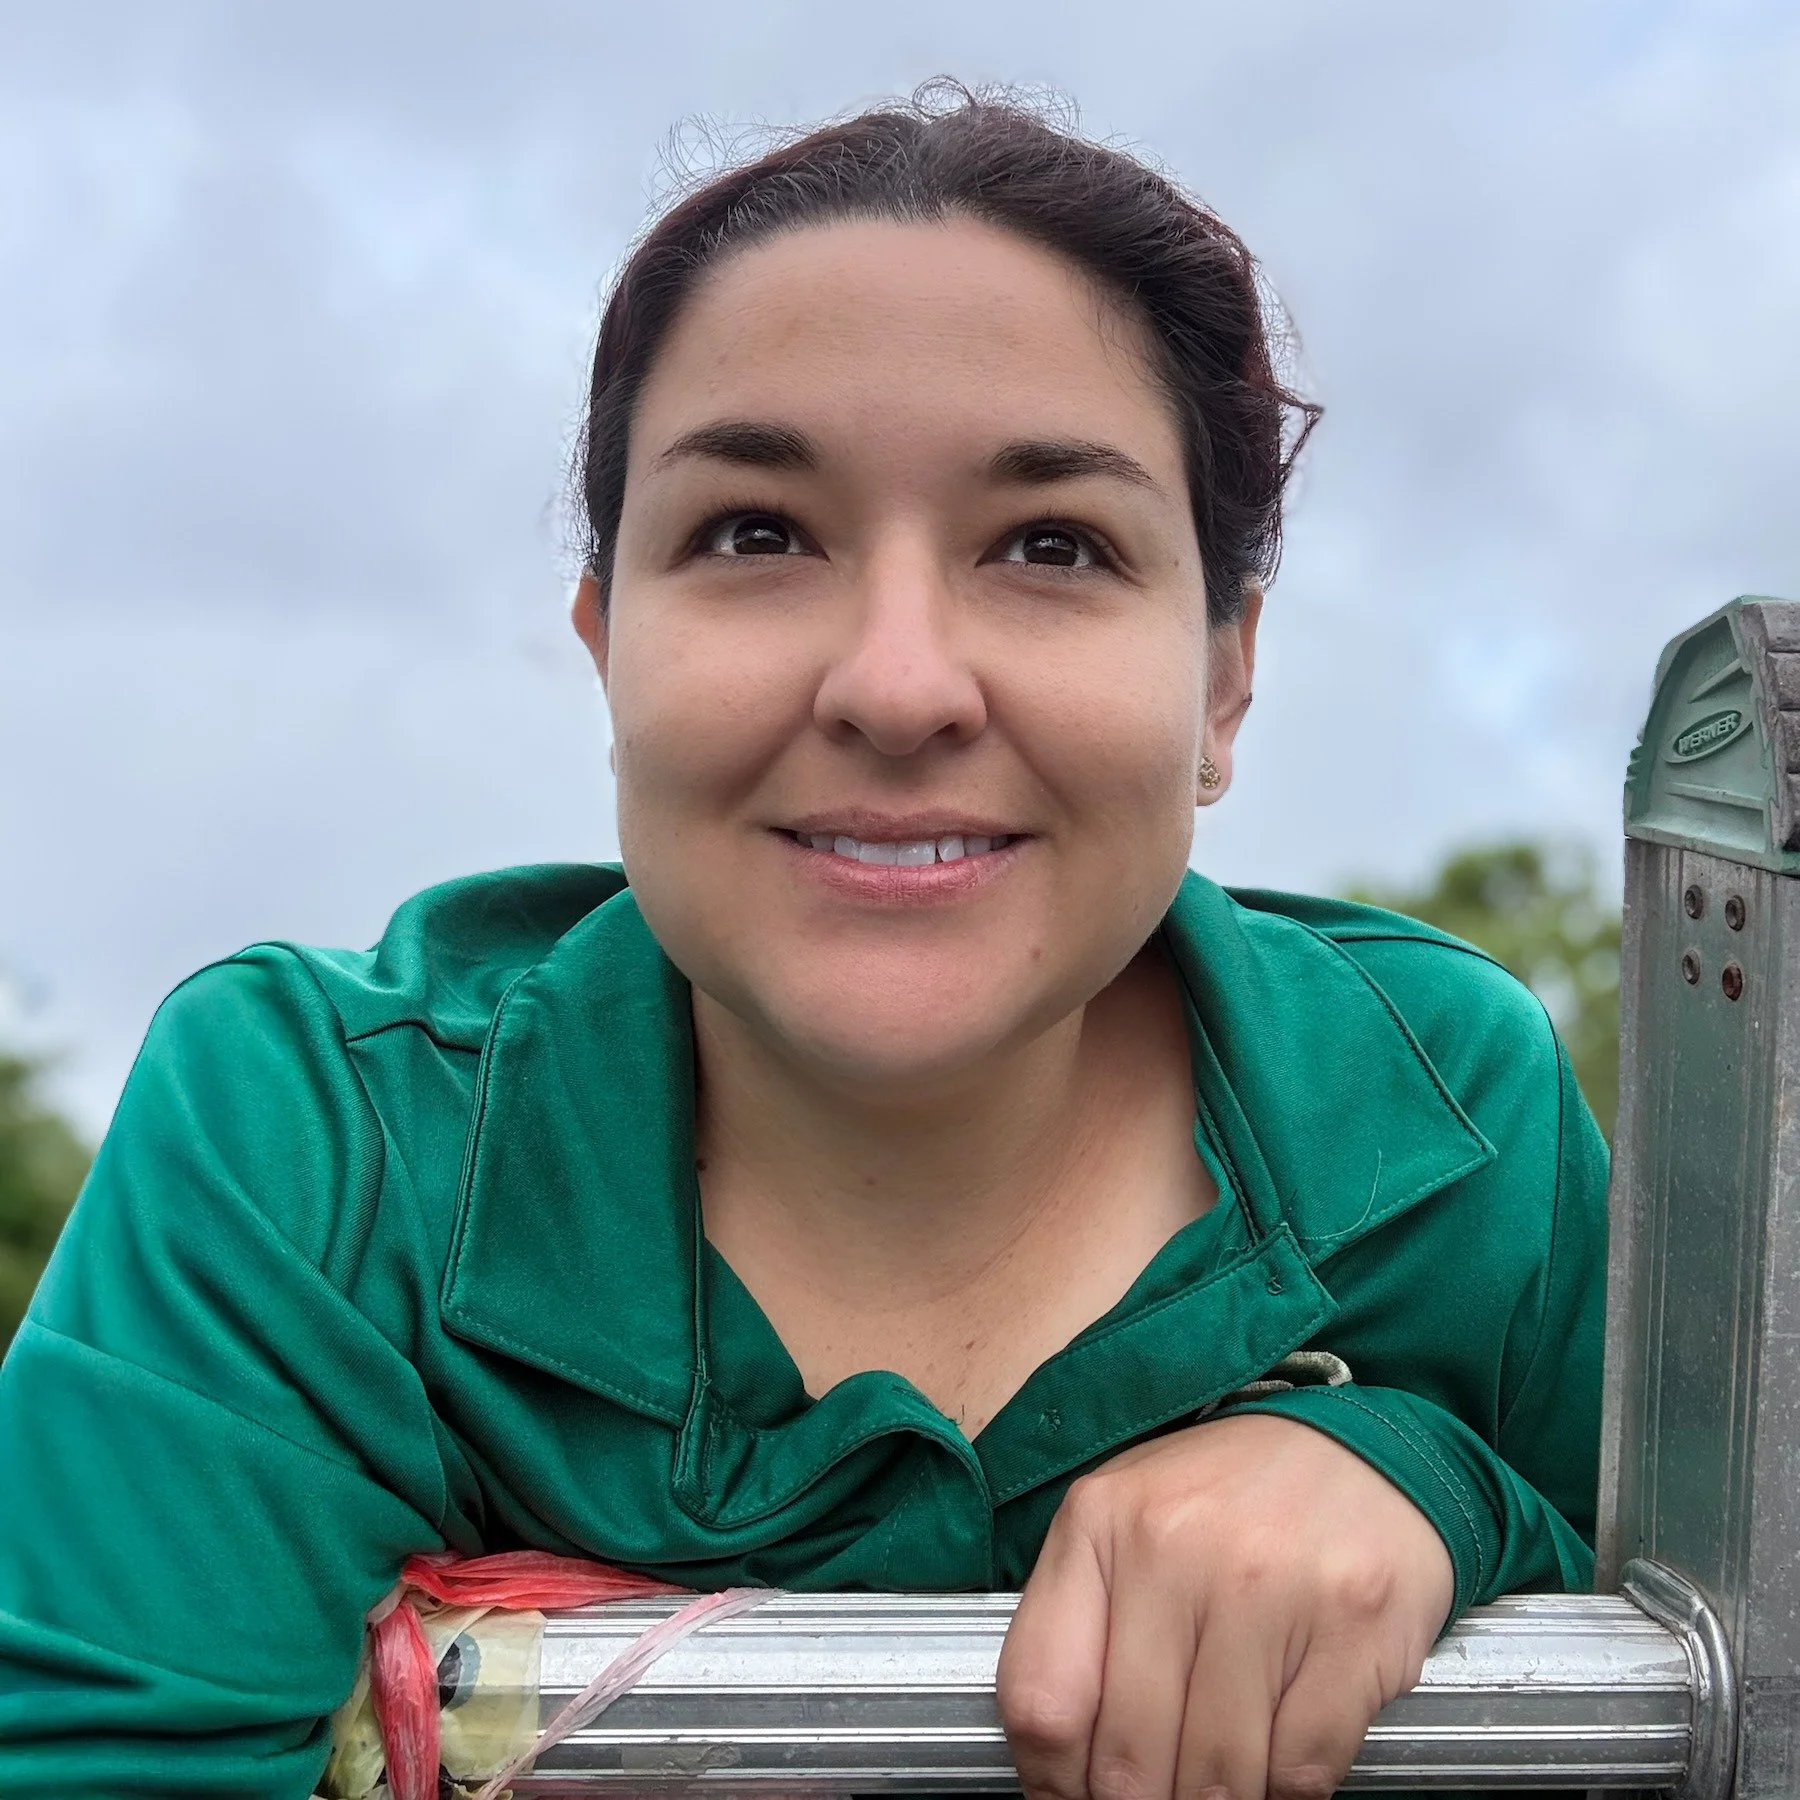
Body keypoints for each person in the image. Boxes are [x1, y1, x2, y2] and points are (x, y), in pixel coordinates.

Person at [0, 87, 1605, 1800]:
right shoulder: (306, 1151)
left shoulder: (1458, 1133)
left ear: (1225, 679)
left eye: (1053, 544)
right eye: (754, 533)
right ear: (607, 649)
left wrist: (1447, 1494)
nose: (897, 686)